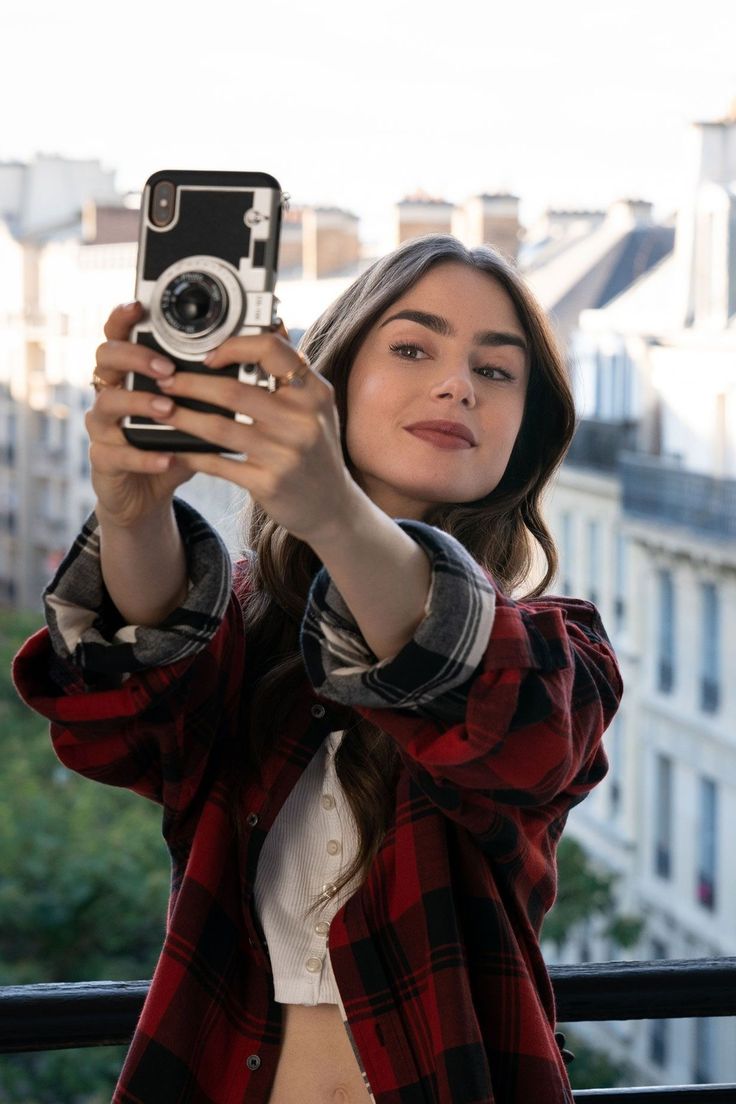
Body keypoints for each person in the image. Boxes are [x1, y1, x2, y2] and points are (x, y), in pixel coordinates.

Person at [13, 233, 623, 1104]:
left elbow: (505, 720)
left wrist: (333, 507)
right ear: (330, 380)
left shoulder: (559, 652)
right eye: (413, 348)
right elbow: (117, 721)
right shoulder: (242, 633)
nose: (458, 384)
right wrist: (133, 510)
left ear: (526, 437)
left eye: (497, 372)